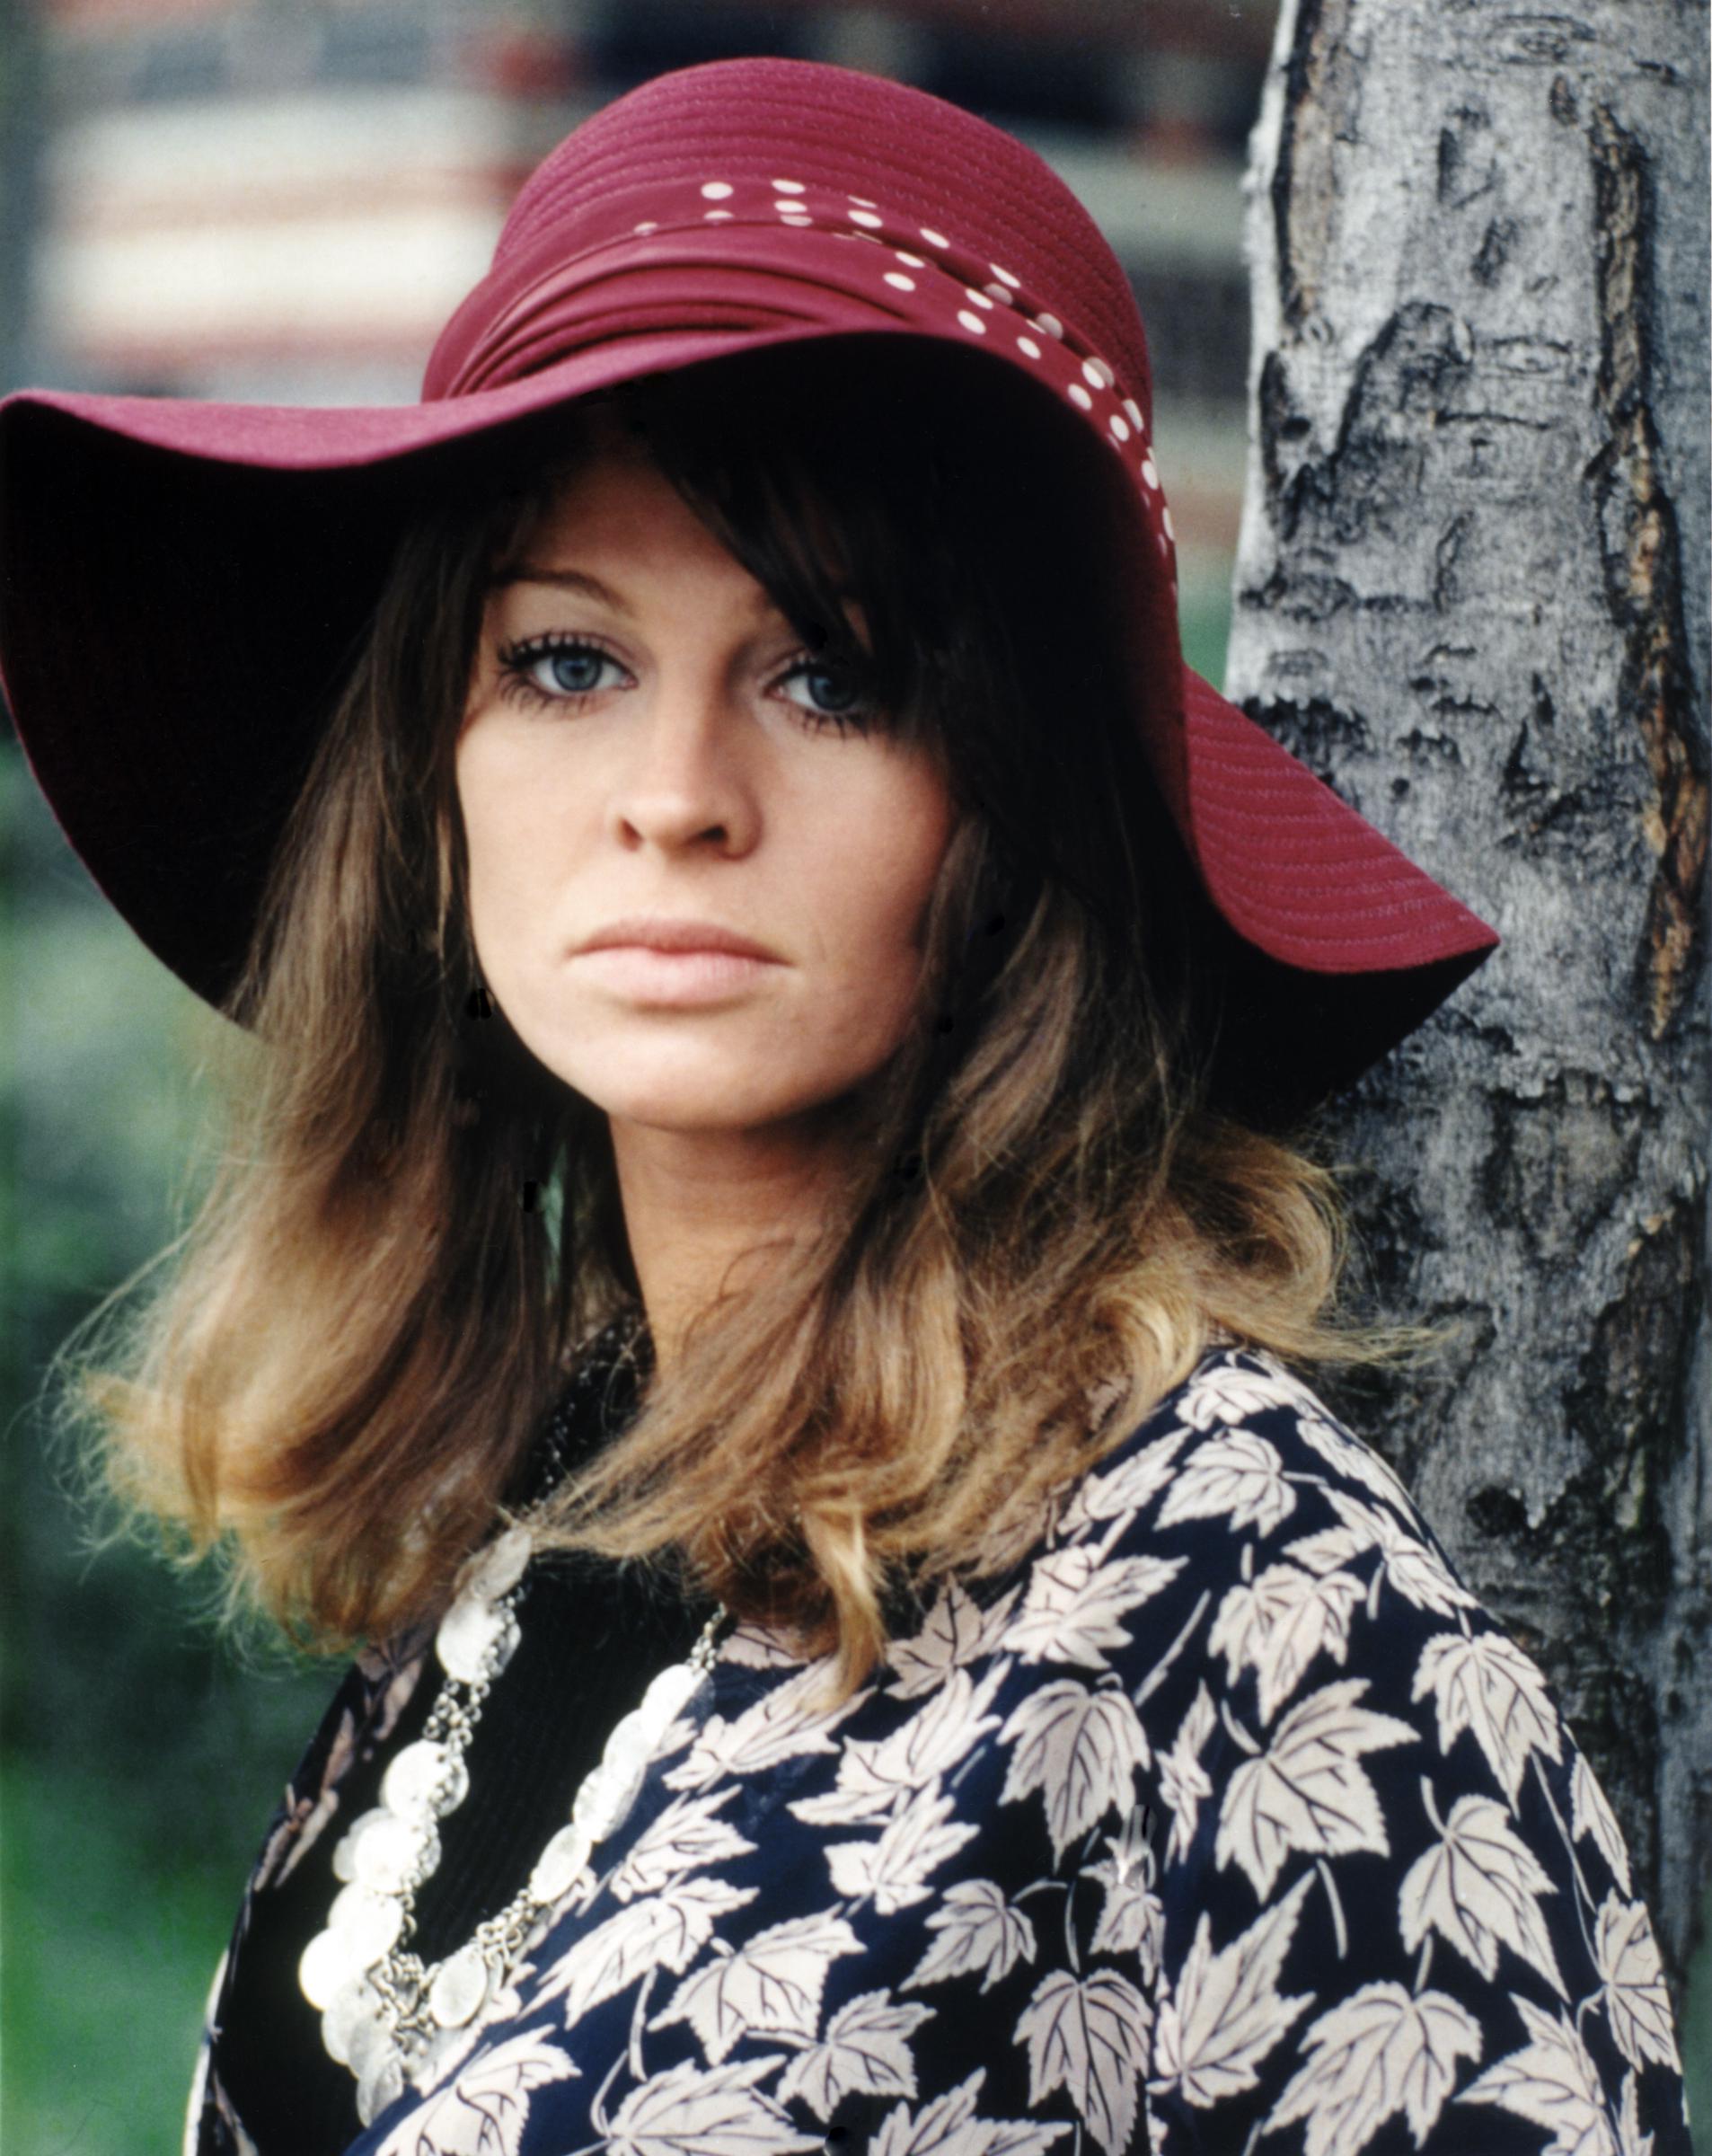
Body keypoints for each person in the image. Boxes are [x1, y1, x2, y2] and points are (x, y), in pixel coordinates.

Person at [0, 55, 1690, 2156]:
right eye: (563, 663)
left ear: (1012, 804)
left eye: (830, 677)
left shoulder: (1248, 1606)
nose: (678, 799)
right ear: (429, 788)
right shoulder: (551, 1485)